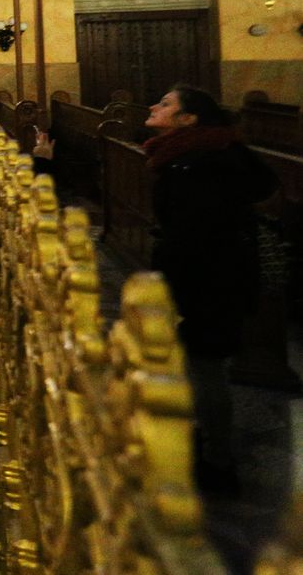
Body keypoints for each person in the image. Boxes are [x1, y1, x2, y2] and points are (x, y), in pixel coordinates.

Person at [142, 84, 277, 494]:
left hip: (208, 283)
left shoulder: (198, 164)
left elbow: (195, 236)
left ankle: (218, 463)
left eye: (165, 104)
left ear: (188, 120)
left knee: (206, 367)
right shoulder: (201, 155)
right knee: (202, 366)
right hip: (215, 278)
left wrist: (170, 288)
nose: (154, 106)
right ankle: (203, 443)